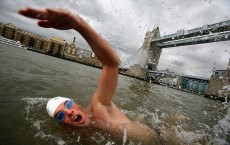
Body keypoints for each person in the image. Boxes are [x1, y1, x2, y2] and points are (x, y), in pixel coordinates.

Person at [18, 7, 178, 144]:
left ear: (77, 105)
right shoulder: (77, 136)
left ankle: (175, 120)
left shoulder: (99, 106)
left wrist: (79, 26)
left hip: (161, 139)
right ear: (62, 125)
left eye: (68, 106)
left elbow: (110, 64)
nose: (69, 113)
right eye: (61, 116)